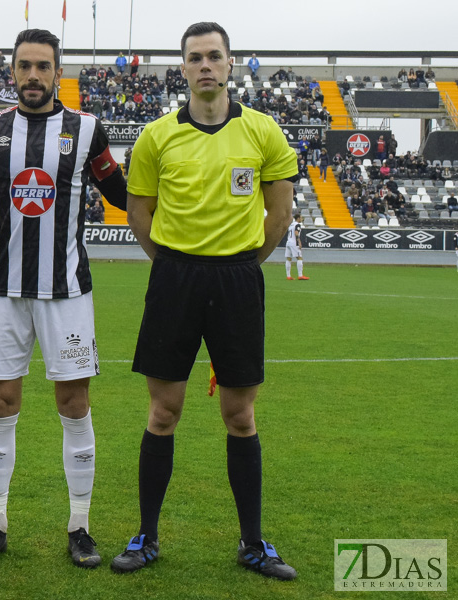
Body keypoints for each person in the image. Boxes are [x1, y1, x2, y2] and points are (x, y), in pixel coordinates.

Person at [0, 28, 129, 568]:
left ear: (57, 71)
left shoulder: (86, 129)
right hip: (3, 291)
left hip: (67, 294)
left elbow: (119, 193)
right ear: (11, 72)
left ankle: (79, 526)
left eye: (43, 66)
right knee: (2, 405)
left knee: (74, 405)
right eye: (24, 66)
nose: (33, 76)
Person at [115, 21, 298, 581]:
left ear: (230, 63)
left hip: (238, 280)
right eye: (195, 58)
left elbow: (280, 214)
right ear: (184, 67)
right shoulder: (156, 137)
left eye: (214, 56)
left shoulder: (265, 132)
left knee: (240, 415)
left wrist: (241, 266)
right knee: (163, 411)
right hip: (175, 279)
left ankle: (252, 542)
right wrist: (173, 265)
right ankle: (146, 535)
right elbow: (140, 214)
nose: (205, 66)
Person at [285, 212, 308, 280]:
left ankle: (288, 276)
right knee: (299, 258)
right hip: (294, 243)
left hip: (288, 242)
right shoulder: (297, 225)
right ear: (298, 218)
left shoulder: (291, 225)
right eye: (301, 218)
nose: (302, 219)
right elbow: (296, 233)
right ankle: (300, 275)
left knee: (288, 258)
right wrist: (299, 241)